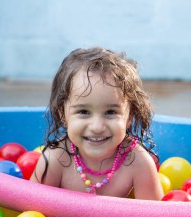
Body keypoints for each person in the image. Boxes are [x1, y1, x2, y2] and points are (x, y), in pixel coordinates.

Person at [31, 47, 163, 200]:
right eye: (83, 112)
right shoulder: (55, 160)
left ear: (129, 117)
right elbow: (32, 213)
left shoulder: (138, 162)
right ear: (63, 114)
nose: (97, 127)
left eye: (110, 112)